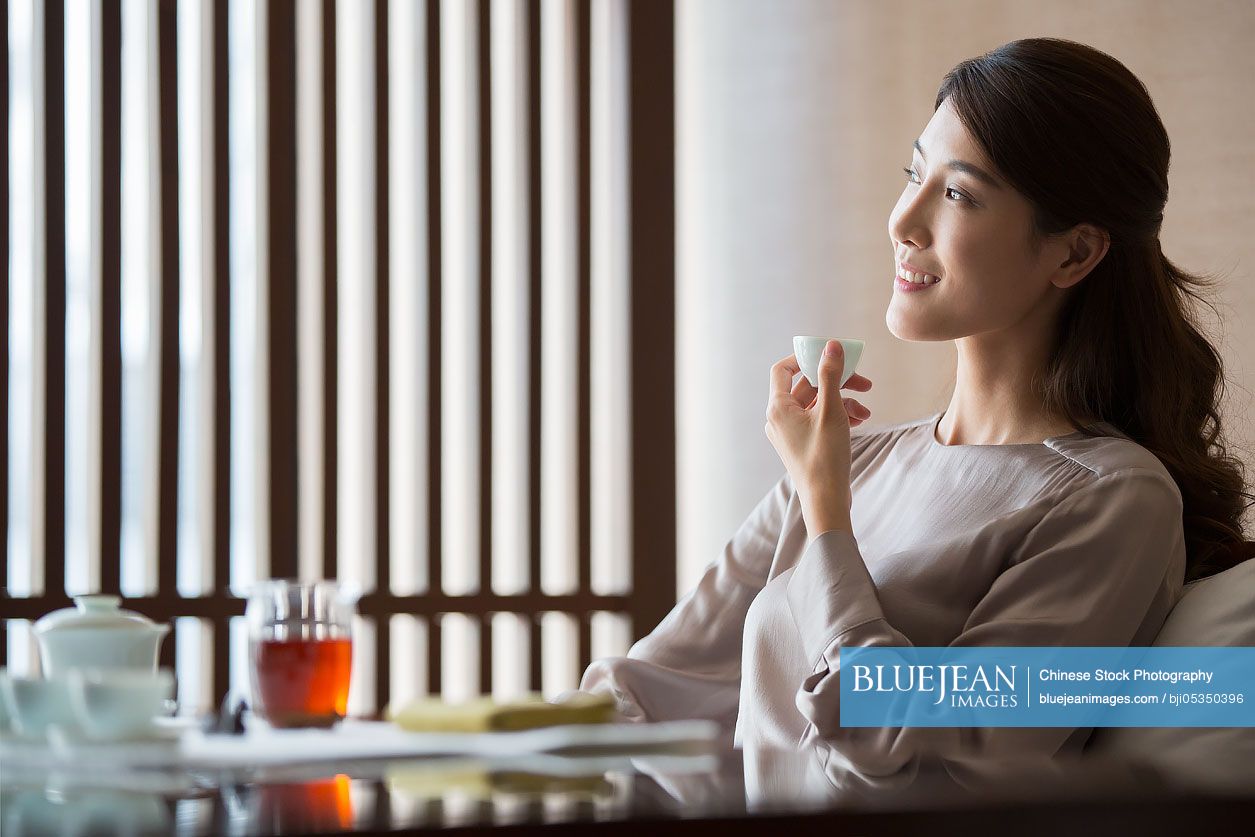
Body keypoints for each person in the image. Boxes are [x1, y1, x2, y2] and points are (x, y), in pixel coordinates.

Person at [577, 37, 1253, 780]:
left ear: (1073, 254)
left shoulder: (1114, 499)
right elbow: (641, 692)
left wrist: (828, 517)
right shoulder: (851, 459)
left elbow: (915, 752)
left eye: (957, 193)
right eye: (914, 173)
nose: (904, 218)